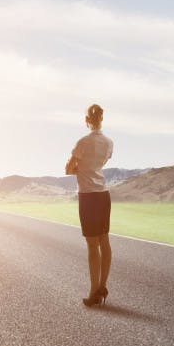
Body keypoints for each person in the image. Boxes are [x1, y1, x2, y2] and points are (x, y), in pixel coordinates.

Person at [65, 104, 114, 307]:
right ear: (102, 119)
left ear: (86, 120)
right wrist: (89, 168)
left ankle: (93, 292)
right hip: (103, 195)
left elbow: (68, 169)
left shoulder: (82, 142)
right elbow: (100, 164)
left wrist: (79, 170)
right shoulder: (109, 142)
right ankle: (102, 286)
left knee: (92, 246)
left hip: (88, 197)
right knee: (104, 241)